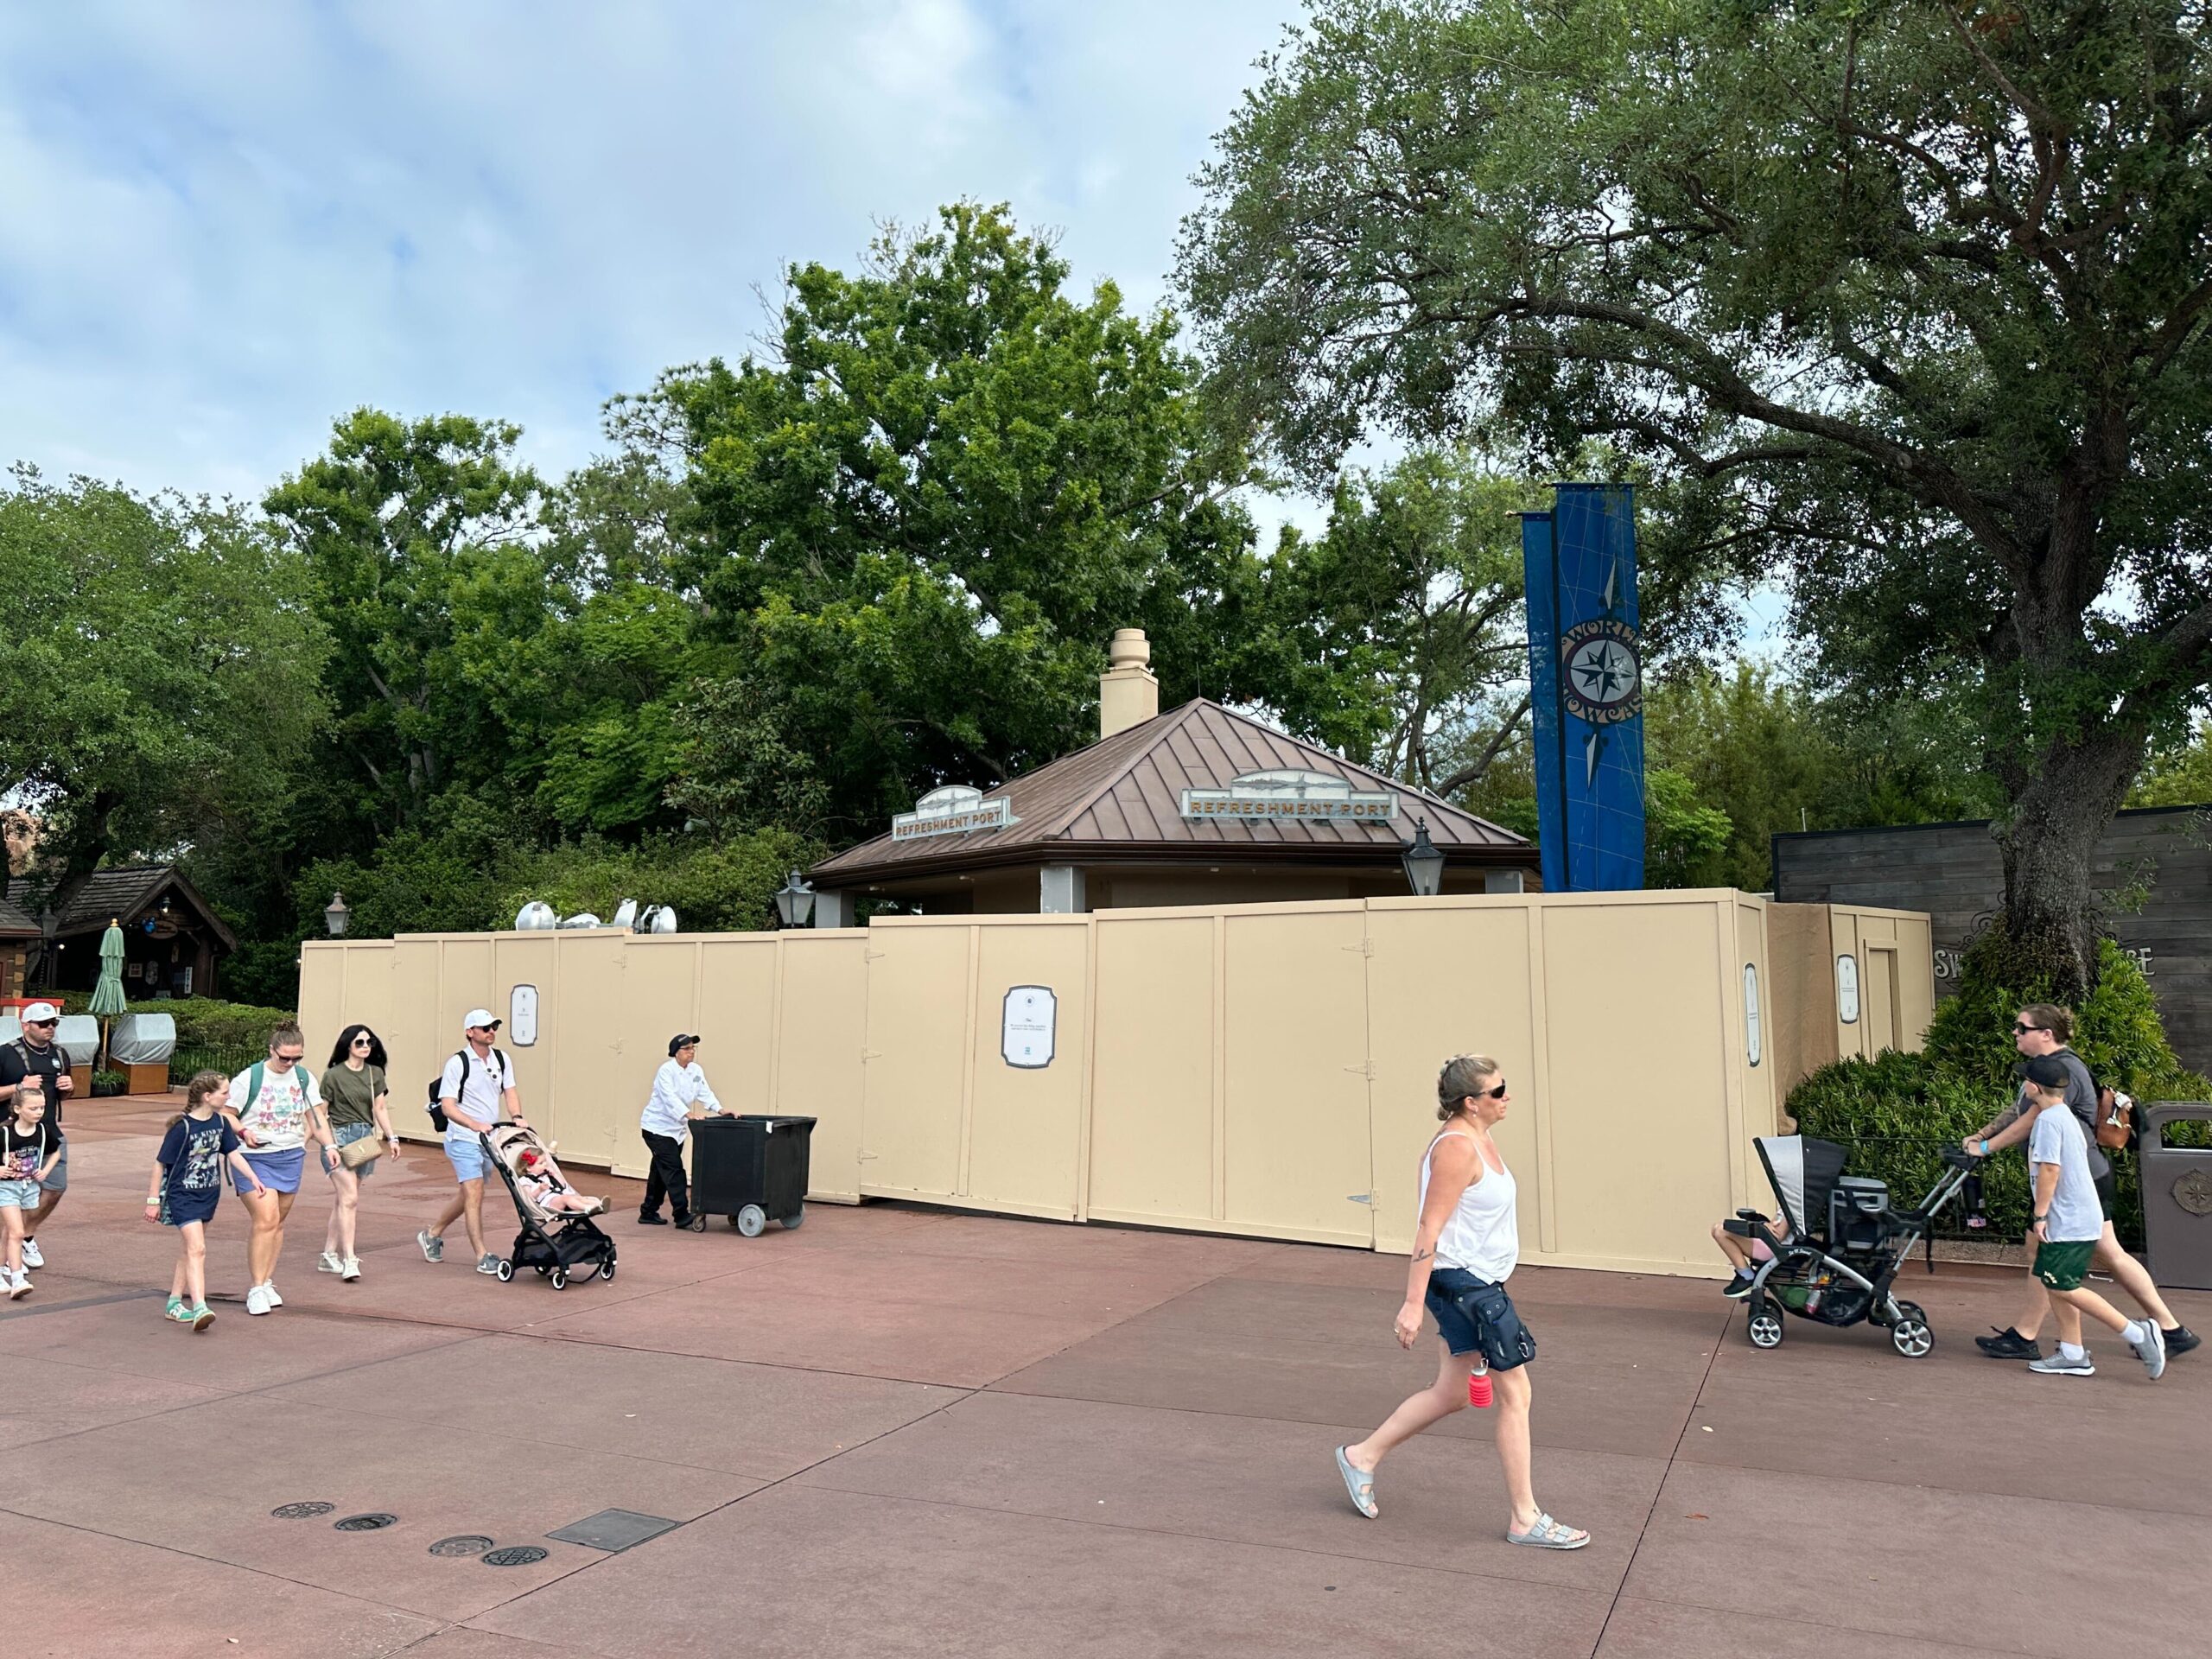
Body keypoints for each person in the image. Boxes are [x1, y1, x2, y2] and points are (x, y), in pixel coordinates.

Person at [1333, 1054, 1588, 1549]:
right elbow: (1429, 1226)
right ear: (1471, 1103)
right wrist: (1411, 1304)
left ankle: (1361, 1456)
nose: (1506, 1096)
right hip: (1464, 1286)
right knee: (1517, 1395)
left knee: (1452, 1393)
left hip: (1476, 1281)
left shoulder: (1480, 1138)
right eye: (1497, 1091)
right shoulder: (1455, 1149)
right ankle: (1525, 1518)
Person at [1962, 1003, 2199, 1360]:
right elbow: (2021, 1110)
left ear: (2046, 1034)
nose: (2015, 1033)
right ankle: (2167, 1329)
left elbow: (2032, 1119)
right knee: (2059, 1253)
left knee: (2075, 1254)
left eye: (2021, 1027)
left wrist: (1984, 1147)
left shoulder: (2065, 1070)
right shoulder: (2046, 1071)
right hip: (2077, 1179)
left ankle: (2156, 1330)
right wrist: (1982, 1134)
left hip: (2077, 1181)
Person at [2015, 1054, 2165, 1380]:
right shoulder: (2063, 1115)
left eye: (2024, 1079)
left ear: (2034, 1086)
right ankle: (2072, 1352)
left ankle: (2138, 1333)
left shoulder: (2048, 1121)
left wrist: (2039, 1216)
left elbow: (2050, 1171)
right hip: (2075, 1216)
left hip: (2067, 1219)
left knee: (2064, 1286)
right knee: (2053, 1282)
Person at [226, 1022, 341, 1316]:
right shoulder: (249, 1077)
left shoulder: (303, 1079)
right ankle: (255, 1287)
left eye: (296, 1058)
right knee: (265, 1218)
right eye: (284, 1058)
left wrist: (329, 1146)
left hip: (290, 1155)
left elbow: (315, 1117)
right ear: (272, 1051)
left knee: (276, 1223)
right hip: (253, 1157)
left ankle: (266, 1282)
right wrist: (243, 1133)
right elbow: (227, 1115)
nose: (290, 1063)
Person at [145, 1071, 265, 1331]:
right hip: (183, 1195)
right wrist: (153, 1200)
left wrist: (254, 1179)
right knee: (197, 1248)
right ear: (207, 1096)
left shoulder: (221, 1123)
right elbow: (160, 1164)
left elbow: (233, 1154)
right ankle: (200, 1306)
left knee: (189, 1250)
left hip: (208, 1194)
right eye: (224, 1092)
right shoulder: (182, 1128)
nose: (229, 1096)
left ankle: (174, 1303)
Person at [418, 1009, 524, 1274]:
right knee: (474, 1192)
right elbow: (448, 1107)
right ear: (470, 1032)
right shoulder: (458, 1063)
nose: (492, 1031)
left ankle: (432, 1233)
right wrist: (474, 1124)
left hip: (489, 1139)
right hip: (463, 1137)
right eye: (486, 1027)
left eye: (494, 1027)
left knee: (469, 1194)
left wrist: (517, 1116)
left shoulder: (501, 1058)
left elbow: (509, 1091)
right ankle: (482, 1255)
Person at [315, 1024, 400, 1282]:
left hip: (364, 1139)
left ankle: (329, 1254)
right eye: (360, 1042)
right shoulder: (333, 1075)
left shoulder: (375, 1074)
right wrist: (327, 1142)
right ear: (348, 1045)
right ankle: (349, 1259)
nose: (365, 1047)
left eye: (369, 1042)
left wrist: (392, 1137)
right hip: (340, 1137)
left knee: (345, 1200)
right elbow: (321, 1112)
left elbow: (380, 1108)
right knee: (350, 1198)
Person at [0, 1001, 74, 1271]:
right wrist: (20, 1086)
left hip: (48, 1133)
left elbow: (62, 1093)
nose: (50, 1028)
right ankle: (8, 1254)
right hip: (14, 1137)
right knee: (12, 1194)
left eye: (54, 1023)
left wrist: (68, 1087)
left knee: (55, 1188)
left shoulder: (60, 1054)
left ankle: (25, 1236)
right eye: (44, 1024)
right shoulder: (6, 1053)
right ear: (26, 1024)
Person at [637, 1033, 731, 1227]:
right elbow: (669, 1098)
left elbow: (705, 1092)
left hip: (676, 1130)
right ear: (675, 1053)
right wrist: (689, 1115)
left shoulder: (696, 1070)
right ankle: (681, 1214)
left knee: (661, 1171)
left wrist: (720, 1109)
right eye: (687, 1049)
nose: (691, 1052)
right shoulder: (666, 1071)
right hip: (657, 1128)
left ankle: (648, 1212)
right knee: (674, 1171)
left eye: (693, 1048)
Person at [0, 1080, 61, 1300]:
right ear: (18, 1109)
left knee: (10, 1232)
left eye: (42, 1108)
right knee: (17, 1232)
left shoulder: (43, 1132)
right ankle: (18, 1279)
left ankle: (2, 1270)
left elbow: (56, 1152)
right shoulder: (5, 1132)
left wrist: (45, 1171)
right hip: (7, 1188)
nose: (38, 1112)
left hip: (29, 1187)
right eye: (33, 1108)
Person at [1712, 1205, 1796, 1299]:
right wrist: (1763, 1224)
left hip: (1772, 1247)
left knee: (1720, 1231)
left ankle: (1747, 1277)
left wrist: (1763, 1224)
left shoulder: (1793, 1206)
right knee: (1717, 1228)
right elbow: (1773, 1227)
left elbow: (1778, 1235)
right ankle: (1744, 1274)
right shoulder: (1789, 1203)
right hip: (1768, 1242)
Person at [514, 1147, 598, 1215]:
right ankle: (586, 1208)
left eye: (545, 1161)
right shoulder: (525, 1180)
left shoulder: (545, 1175)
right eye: (541, 1163)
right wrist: (539, 1190)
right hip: (547, 1204)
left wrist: (554, 1175)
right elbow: (528, 1198)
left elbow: (563, 1185)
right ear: (528, 1168)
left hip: (558, 1196)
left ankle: (596, 1204)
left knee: (576, 1198)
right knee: (566, 1198)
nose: (545, 1164)